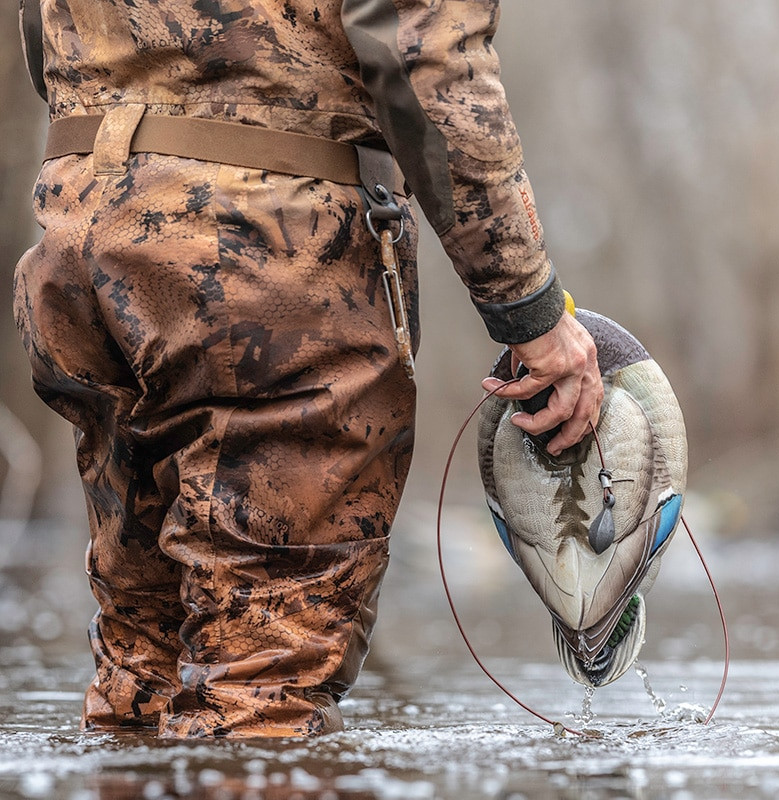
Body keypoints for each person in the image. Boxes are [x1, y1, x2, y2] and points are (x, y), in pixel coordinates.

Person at [14, 0, 603, 738]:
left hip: (79, 246)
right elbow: (429, 61)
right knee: (264, 688)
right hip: (268, 265)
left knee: (142, 665)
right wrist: (531, 310)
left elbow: (44, 32)